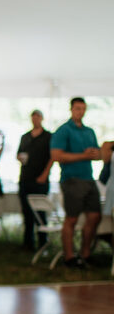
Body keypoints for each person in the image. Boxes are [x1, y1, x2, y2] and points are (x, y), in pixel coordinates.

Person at [50, 97, 102, 268]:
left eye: (83, 108)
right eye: (77, 108)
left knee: (95, 216)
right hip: (72, 179)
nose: (81, 111)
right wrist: (82, 155)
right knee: (71, 219)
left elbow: (97, 154)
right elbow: (56, 156)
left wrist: (95, 153)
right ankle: (69, 257)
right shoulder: (63, 131)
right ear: (71, 109)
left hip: (88, 178)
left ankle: (85, 253)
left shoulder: (89, 132)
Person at [16, 109, 52, 251]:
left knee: (40, 211)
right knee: (26, 212)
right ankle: (28, 243)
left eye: (38, 117)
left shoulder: (48, 136)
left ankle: (43, 242)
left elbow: (52, 157)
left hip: (40, 179)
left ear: (42, 119)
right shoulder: (25, 137)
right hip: (25, 178)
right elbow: (19, 154)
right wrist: (20, 158)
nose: (35, 119)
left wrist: (45, 174)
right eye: (33, 117)